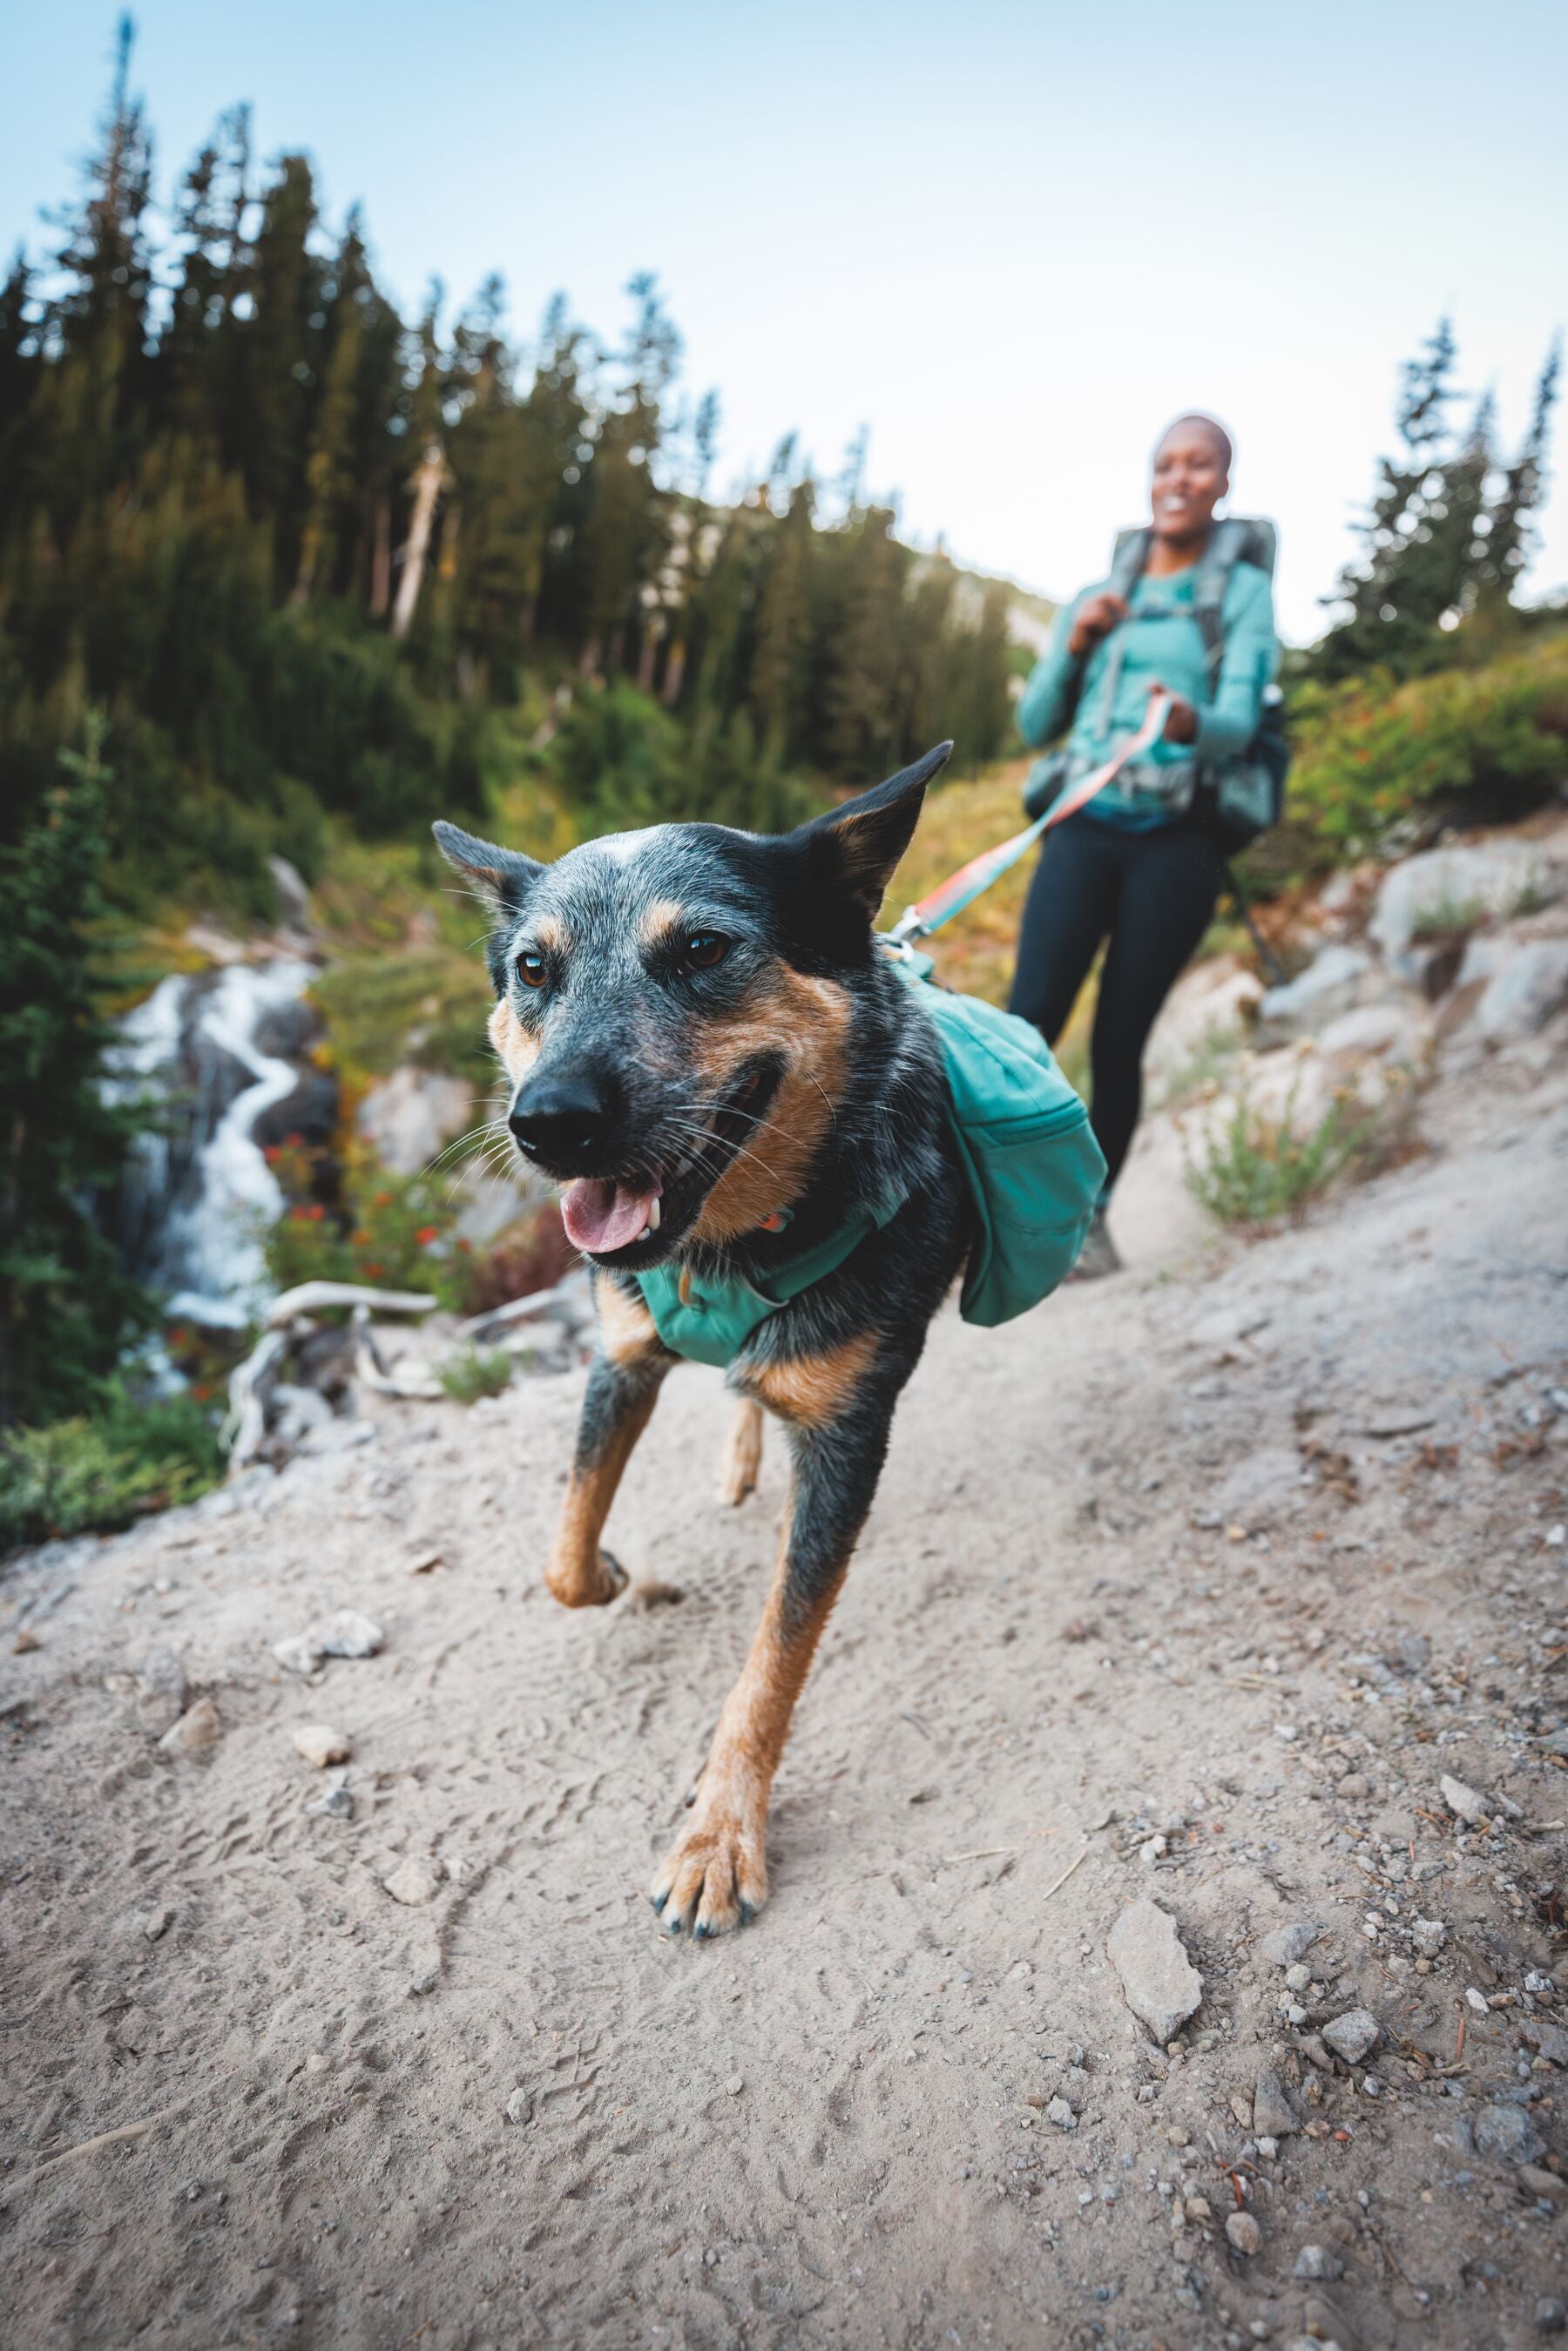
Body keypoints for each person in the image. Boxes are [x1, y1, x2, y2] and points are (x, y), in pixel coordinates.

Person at [1007, 414, 1280, 1274]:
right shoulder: (1100, 593)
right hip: (1085, 825)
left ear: (1224, 483)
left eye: (1201, 465)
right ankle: (969, 1200)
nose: (1180, 477)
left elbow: (1240, 723)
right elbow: (1033, 720)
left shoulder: (1240, 593)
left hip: (1179, 843)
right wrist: (1079, 641)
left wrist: (1191, 718)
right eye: (1167, 463)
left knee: (1118, 1037)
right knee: (1026, 1022)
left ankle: (1090, 1224)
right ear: (1150, 477)